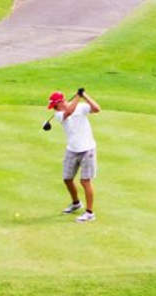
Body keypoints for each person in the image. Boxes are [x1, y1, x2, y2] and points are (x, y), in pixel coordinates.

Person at [49, 88, 101, 223]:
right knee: (67, 179)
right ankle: (76, 203)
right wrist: (77, 96)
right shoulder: (59, 115)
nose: (54, 108)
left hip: (87, 149)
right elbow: (69, 112)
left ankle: (89, 213)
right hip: (72, 150)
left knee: (85, 181)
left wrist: (84, 96)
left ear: (60, 102)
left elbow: (97, 109)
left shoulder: (81, 107)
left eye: (54, 105)